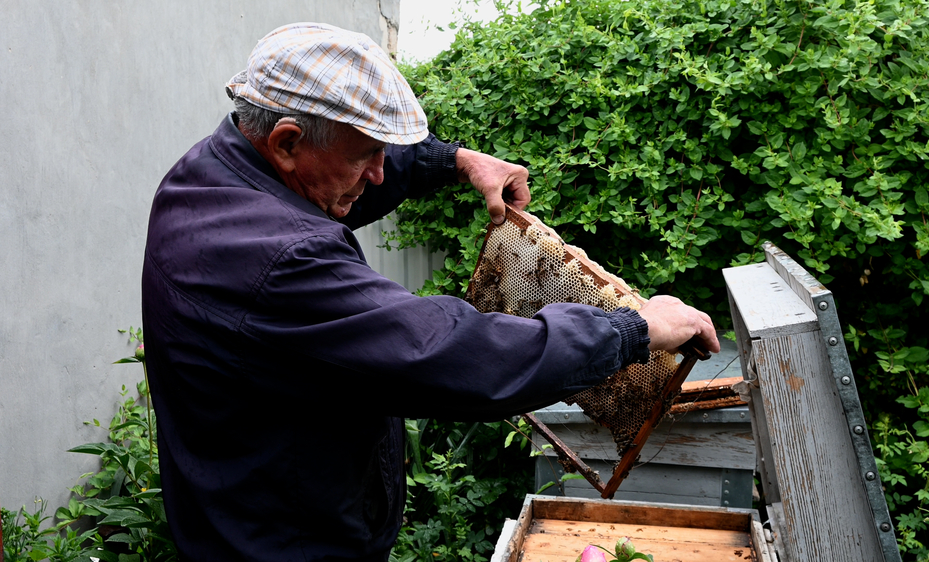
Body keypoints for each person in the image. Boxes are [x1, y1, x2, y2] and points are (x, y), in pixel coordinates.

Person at [142, 22, 719, 562]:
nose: (377, 172)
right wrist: (634, 328)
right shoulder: (277, 259)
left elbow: (338, 177)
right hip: (285, 545)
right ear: (287, 142)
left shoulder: (216, 174)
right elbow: (446, 353)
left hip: (254, 510)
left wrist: (455, 161)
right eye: (366, 154)